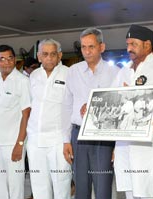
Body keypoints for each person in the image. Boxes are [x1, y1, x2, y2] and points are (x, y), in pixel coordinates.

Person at [112, 24, 153, 198]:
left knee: (150, 191)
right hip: (124, 144)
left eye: (133, 44)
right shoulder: (123, 72)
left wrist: (135, 98)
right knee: (130, 191)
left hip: (147, 144)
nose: (128, 48)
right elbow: (111, 100)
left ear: (147, 45)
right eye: (127, 44)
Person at [63, 27, 119, 199]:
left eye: (91, 47)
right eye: (83, 47)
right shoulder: (73, 71)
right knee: (80, 186)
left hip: (104, 135)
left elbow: (119, 108)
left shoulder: (115, 72)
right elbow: (66, 106)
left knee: (103, 187)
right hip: (78, 134)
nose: (86, 51)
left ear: (101, 47)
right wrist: (65, 140)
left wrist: (117, 145)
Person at [26, 38, 72, 199]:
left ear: (59, 55)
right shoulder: (33, 76)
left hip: (58, 140)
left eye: (53, 54)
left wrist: (68, 139)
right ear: (39, 56)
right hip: (35, 140)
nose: (49, 58)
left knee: (62, 184)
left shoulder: (69, 74)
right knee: (38, 186)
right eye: (45, 54)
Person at [0, 44, 31, 199]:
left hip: (13, 144)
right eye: (2, 59)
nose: (6, 62)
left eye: (10, 58)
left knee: (15, 188)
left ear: (15, 60)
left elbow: (26, 114)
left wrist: (20, 144)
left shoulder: (22, 81)